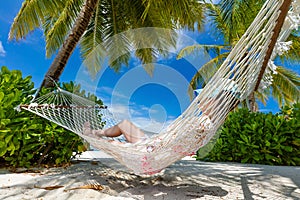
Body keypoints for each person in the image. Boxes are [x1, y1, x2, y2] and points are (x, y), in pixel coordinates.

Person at [83, 120, 148, 143]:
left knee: (113, 144)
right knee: (124, 124)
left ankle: (92, 136)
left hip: (149, 152)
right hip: (151, 144)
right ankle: (94, 132)